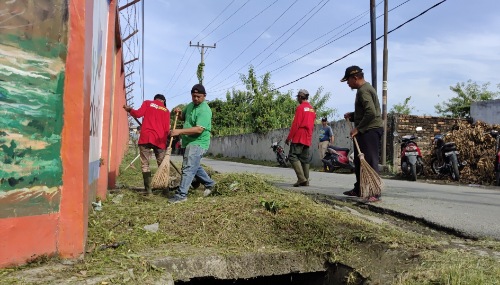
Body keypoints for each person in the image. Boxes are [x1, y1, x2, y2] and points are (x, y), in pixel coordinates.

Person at [341, 66, 383, 202]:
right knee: (359, 161)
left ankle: (374, 192)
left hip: (369, 131)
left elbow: (371, 112)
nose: (348, 83)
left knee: (369, 161)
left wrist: (358, 128)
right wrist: (352, 116)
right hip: (366, 129)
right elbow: (365, 112)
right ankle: (359, 188)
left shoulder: (363, 91)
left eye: (348, 80)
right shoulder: (364, 89)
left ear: (355, 78)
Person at [168, 84, 215, 203]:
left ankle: (181, 195)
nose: (195, 99)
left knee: (188, 167)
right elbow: (184, 117)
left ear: (204, 96)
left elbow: (199, 129)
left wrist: (179, 131)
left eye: (198, 96)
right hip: (188, 142)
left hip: (198, 142)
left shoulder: (205, 110)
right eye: (193, 96)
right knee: (194, 166)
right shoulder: (190, 106)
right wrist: (178, 113)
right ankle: (210, 184)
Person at [123, 94, 170, 195]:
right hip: (159, 140)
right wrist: (165, 143)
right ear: (163, 101)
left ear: (155, 99)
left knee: (145, 164)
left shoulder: (148, 103)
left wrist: (130, 110)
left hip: (146, 137)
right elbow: (167, 129)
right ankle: (165, 190)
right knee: (162, 164)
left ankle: (148, 191)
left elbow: (138, 114)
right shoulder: (166, 110)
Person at [285, 89, 316, 187]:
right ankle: (306, 181)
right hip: (308, 135)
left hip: (299, 134)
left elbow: (296, 124)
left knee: (292, 156)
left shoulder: (300, 108)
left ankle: (301, 178)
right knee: (304, 159)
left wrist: (289, 137)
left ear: (300, 97)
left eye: (297, 97)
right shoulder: (312, 109)